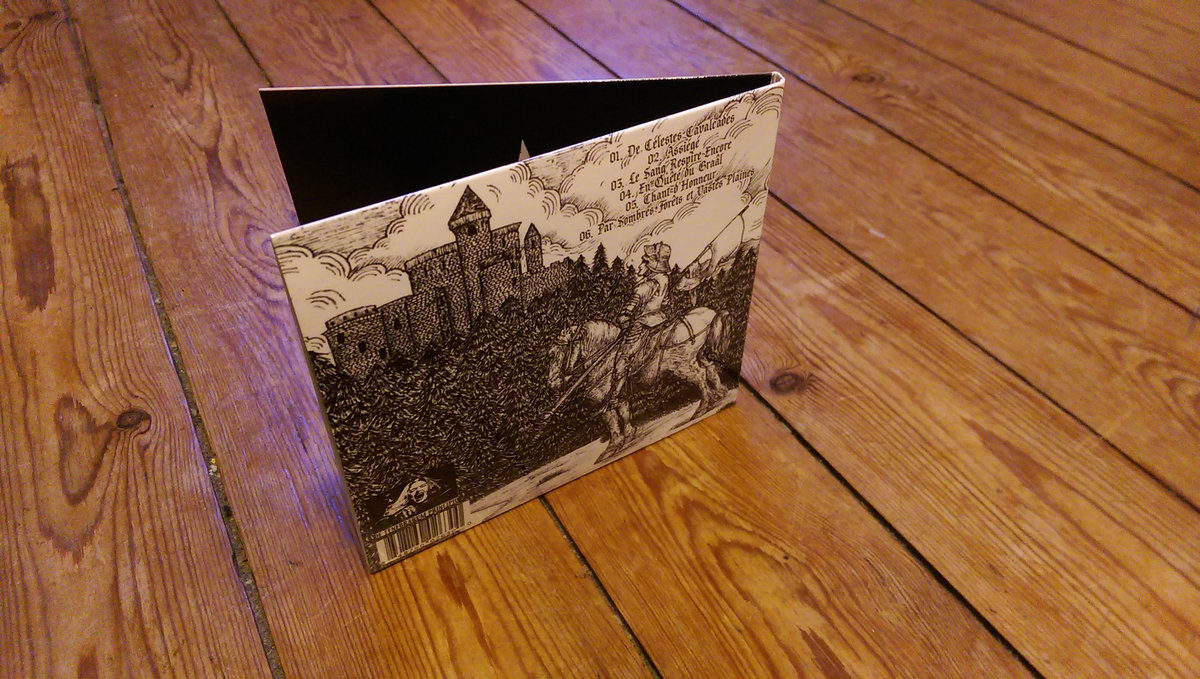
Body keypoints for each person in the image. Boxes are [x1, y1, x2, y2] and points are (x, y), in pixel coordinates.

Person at [611, 242, 672, 404]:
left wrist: (623, 317)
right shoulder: (665, 279)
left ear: (652, 265)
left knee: (624, 357)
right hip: (660, 319)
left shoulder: (646, 285)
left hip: (644, 322)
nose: (641, 265)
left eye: (645, 262)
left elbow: (632, 304)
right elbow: (666, 302)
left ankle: (615, 395)